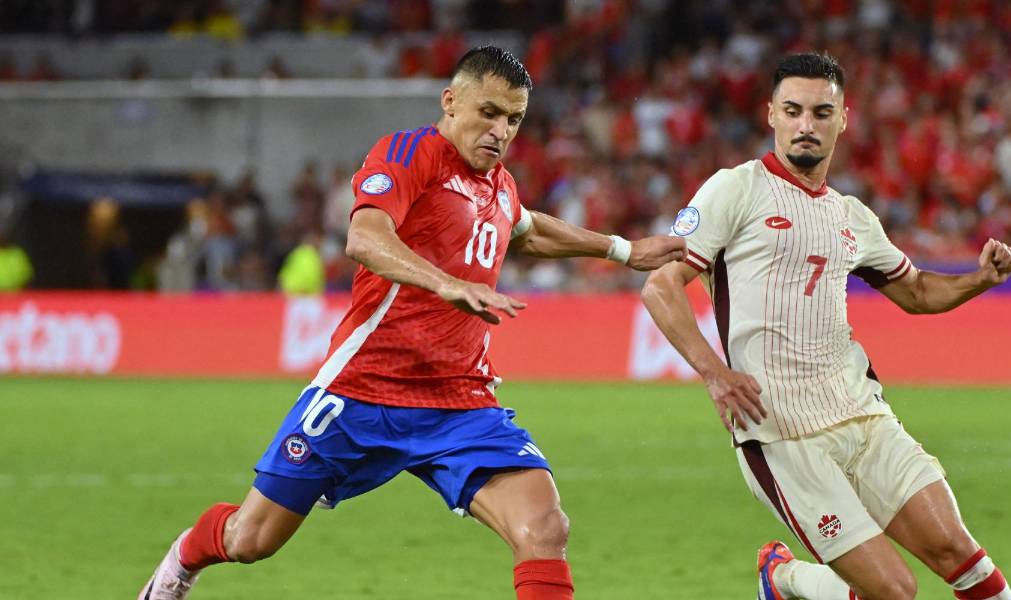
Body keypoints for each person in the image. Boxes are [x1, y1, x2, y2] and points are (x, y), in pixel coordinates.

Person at [139, 46, 685, 600]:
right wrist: (446, 282)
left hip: (460, 400)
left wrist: (621, 249)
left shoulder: (499, 183)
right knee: (251, 538)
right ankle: (183, 559)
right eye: (489, 112)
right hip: (362, 392)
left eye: (514, 119)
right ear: (450, 102)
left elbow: (526, 230)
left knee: (544, 528)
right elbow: (366, 237)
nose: (500, 131)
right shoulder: (407, 154)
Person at [640, 53, 1011, 600]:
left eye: (821, 112)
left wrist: (979, 279)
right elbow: (661, 286)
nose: (806, 125)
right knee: (894, 590)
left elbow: (915, 292)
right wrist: (715, 374)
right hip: (780, 430)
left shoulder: (852, 216)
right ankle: (784, 576)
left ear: (843, 118)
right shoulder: (734, 190)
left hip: (862, 412)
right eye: (793, 111)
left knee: (963, 556)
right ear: (771, 114)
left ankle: (786, 582)